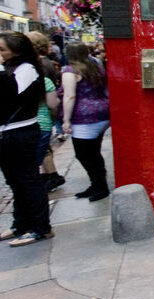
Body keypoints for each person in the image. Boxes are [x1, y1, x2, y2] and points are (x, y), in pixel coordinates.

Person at [0, 32, 54, 247]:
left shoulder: (27, 70)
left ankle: (41, 227)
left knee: (29, 180)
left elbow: (9, 94)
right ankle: (20, 223)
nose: (0, 53)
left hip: (21, 132)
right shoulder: (9, 69)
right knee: (14, 181)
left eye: (2, 49)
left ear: (16, 50)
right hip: (6, 133)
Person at [62, 42, 111, 201]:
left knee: (83, 155)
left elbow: (70, 96)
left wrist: (66, 120)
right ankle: (97, 184)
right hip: (103, 113)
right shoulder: (95, 67)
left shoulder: (70, 71)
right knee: (94, 153)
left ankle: (100, 187)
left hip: (84, 118)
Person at [27, 31, 65, 191]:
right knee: (45, 148)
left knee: (38, 152)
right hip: (47, 110)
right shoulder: (47, 62)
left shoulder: (38, 64)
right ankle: (52, 175)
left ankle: (49, 177)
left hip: (41, 112)